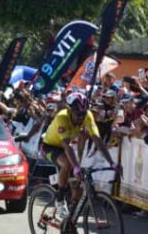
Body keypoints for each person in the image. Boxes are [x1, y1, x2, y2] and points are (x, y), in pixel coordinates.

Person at [39, 91, 117, 220]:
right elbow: (66, 146)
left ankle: (69, 220)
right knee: (68, 164)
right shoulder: (62, 117)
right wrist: (76, 167)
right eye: (78, 113)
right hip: (50, 146)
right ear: (70, 110)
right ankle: (59, 198)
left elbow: (97, 140)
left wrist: (112, 163)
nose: (81, 117)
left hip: (65, 149)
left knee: (79, 188)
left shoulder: (88, 116)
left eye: (83, 113)